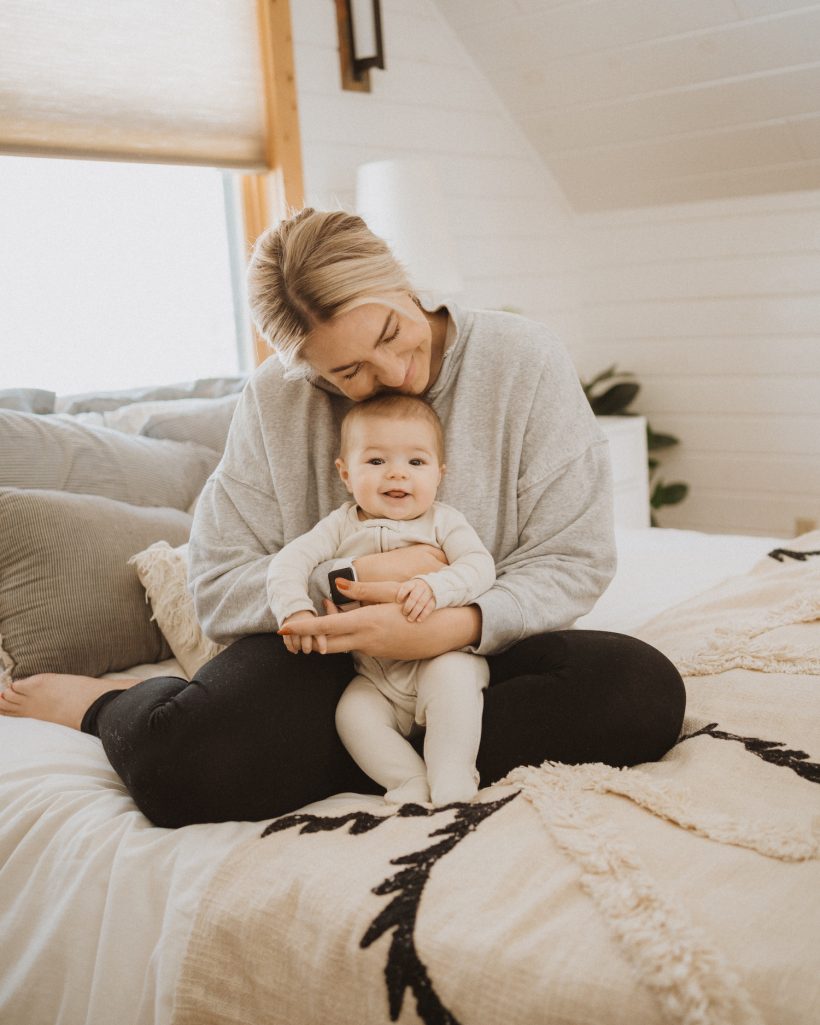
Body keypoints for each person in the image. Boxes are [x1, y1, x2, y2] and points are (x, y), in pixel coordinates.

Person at [0, 208, 686, 828]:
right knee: (181, 770)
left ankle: (355, 756)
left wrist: (452, 622)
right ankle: (105, 702)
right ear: (308, 371)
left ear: (399, 277)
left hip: (481, 653)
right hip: (335, 662)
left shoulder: (522, 359)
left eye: (391, 331)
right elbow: (215, 582)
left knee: (641, 694)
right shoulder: (276, 400)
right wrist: (353, 586)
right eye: (348, 373)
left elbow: (575, 558)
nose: (393, 375)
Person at [271, 393, 495, 807]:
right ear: (345, 473)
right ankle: (406, 780)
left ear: (439, 474)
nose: (397, 475)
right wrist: (295, 609)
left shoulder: (443, 521)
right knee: (352, 715)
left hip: (442, 656)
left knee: (454, 686)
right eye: (376, 462)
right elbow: (287, 563)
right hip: (375, 674)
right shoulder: (338, 525)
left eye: (416, 462)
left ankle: (452, 777)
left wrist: (435, 587)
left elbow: (481, 567)